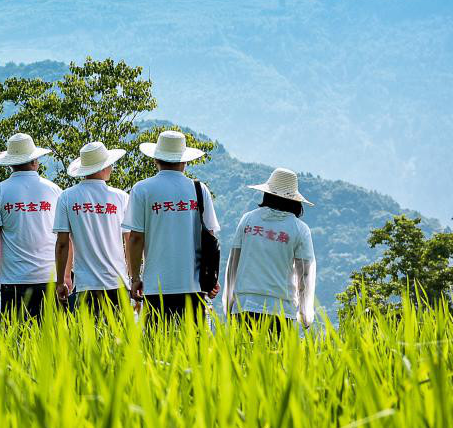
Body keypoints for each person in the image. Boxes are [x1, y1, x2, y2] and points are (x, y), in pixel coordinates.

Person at [126, 130, 222, 321]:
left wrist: (135, 278)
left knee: (156, 345)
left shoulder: (142, 189)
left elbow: (135, 238)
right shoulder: (199, 189)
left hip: (156, 286)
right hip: (193, 286)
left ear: (156, 159)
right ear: (184, 161)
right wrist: (212, 278)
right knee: (191, 347)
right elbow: (210, 237)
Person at [223, 168, 317, 334]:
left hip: (245, 305)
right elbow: (305, 275)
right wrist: (304, 313)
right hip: (280, 310)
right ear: (295, 200)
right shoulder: (300, 229)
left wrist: (229, 303)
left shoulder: (248, 220)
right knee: (276, 358)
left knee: (243, 358)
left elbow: (233, 265)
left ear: (267, 194)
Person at [0, 133, 62, 320]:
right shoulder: (54, 190)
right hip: (48, 278)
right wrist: (65, 275)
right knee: (49, 343)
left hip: (13, 281)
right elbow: (64, 237)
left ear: (11, 162)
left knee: (16, 342)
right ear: (35, 161)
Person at [54, 141, 131, 316]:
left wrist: (61, 280)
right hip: (117, 283)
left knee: (89, 341)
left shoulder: (67, 197)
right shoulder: (121, 198)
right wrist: (134, 278)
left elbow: (62, 243)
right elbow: (130, 239)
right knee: (120, 340)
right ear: (104, 167)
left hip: (85, 284)